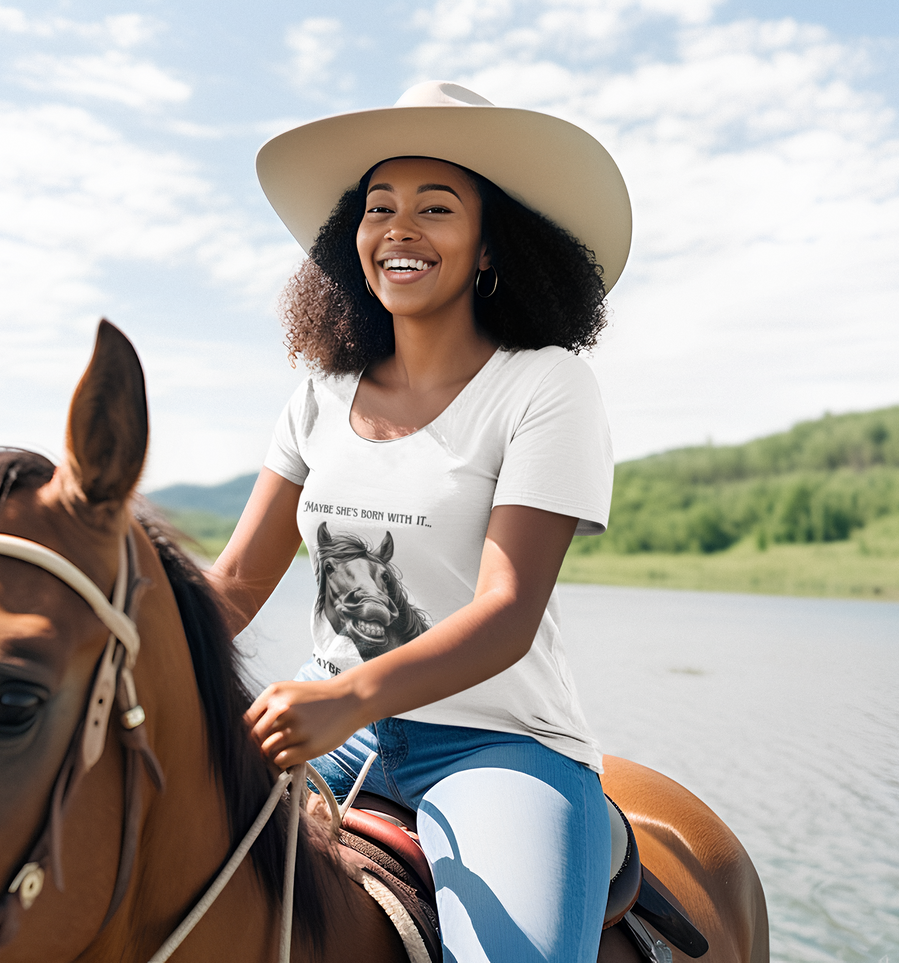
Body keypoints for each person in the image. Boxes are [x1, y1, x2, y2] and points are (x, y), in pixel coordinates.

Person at [206, 80, 632, 962]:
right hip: (328, 725)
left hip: (493, 743)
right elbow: (237, 585)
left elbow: (506, 612)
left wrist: (347, 696)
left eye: (436, 207)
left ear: (488, 246)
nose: (398, 227)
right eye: (378, 206)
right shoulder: (319, 394)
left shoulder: (543, 385)